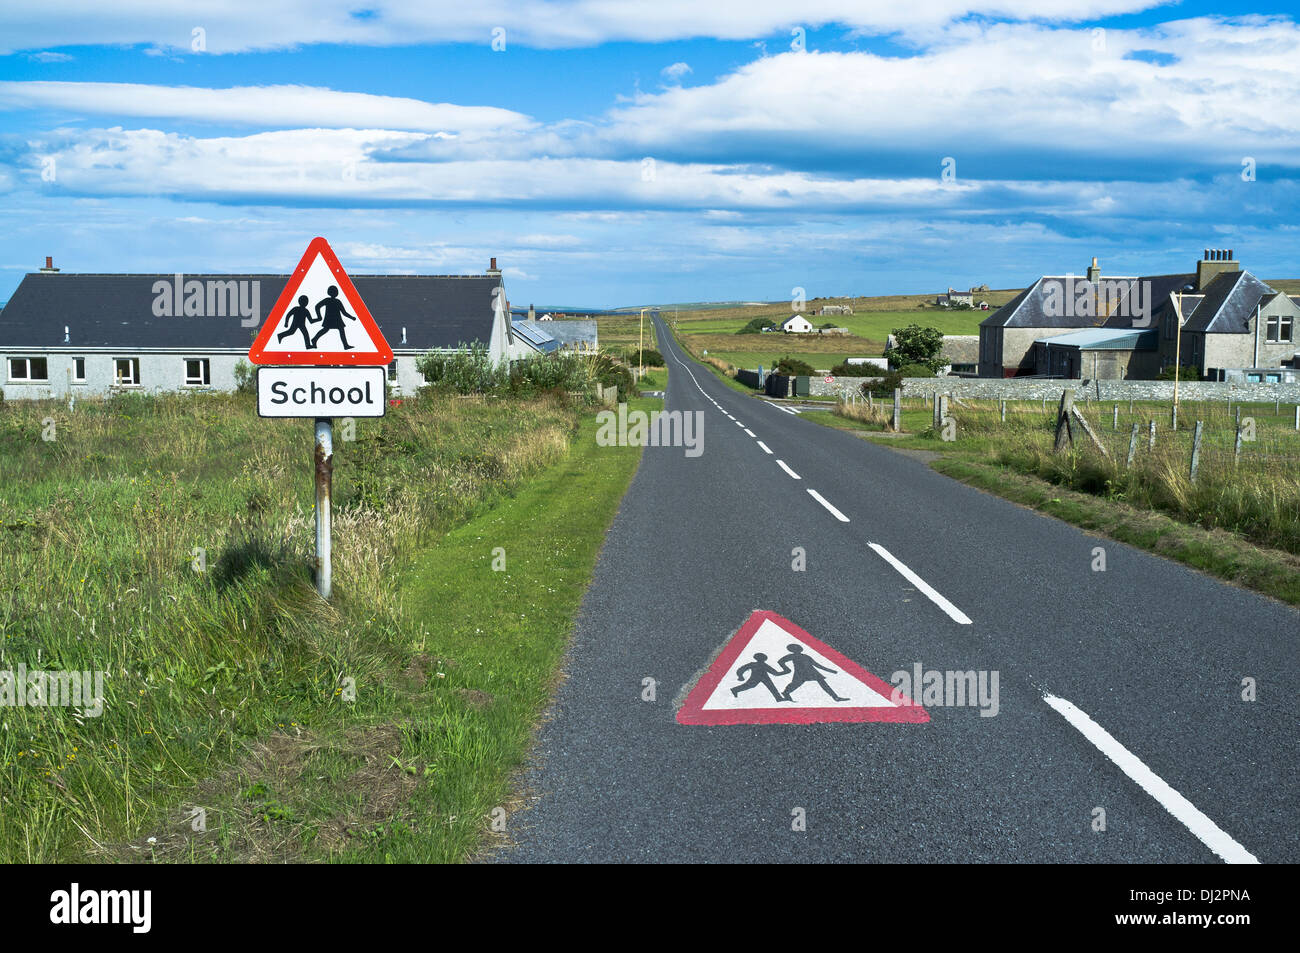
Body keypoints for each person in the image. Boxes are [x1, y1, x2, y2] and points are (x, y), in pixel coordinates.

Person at [775, 644, 850, 702]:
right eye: (795, 649)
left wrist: (831, 671)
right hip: (801, 673)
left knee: (823, 683)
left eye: (798, 648)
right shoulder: (792, 656)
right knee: (795, 684)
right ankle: (785, 693)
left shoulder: (806, 656)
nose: (797, 650)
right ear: (792, 650)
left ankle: (835, 697)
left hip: (812, 672)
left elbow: (816, 665)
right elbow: (780, 661)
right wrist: (786, 669)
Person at [310, 285, 357, 350]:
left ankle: (345, 345)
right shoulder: (328, 300)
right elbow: (317, 306)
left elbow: (344, 312)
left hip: (337, 319)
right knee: (327, 329)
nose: (336, 293)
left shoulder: (337, 301)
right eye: (334, 291)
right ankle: (314, 339)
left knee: (337, 330)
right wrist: (319, 316)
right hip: (330, 319)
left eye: (336, 291)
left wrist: (351, 317)